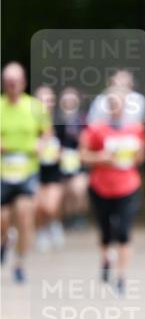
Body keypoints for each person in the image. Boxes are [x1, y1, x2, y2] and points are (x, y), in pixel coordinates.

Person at [80, 86, 145, 293]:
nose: (115, 107)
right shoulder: (95, 129)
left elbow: (142, 155)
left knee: (123, 231)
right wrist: (101, 158)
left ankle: (121, 276)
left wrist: (136, 156)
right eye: (112, 103)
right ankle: (106, 259)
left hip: (128, 186)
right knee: (106, 229)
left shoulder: (135, 128)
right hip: (101, 186)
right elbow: (83, 155)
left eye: (119, 103)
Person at [0, 62, 51, 282]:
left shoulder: (35, 107)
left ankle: (20, 262)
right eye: (8, 82)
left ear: (23, 82)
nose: (12, 85)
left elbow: (47, 132)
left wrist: (41, 144)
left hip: (27, 170)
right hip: (3, 171)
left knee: (24, 215)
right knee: (2, 220)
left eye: (16, 81)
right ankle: (5, 240)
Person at [33, 85, 66, 252]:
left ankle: (54, 222)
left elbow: (68, 147)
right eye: (42, 100)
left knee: (50, 206)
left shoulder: (59, 122)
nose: (46, 103)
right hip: (34, 169)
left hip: (54, 170)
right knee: (38, 206)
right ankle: (41, 231)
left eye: (49, 100)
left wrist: (61, 154)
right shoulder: (30, 122)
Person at [56, 87, 89, 228]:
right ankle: (66, 219)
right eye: (66, 99)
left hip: (79, 160)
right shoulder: (55, 118)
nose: (69, 102)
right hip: (60, 160)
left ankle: (78, 216)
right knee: (64, 191)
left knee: (78, 189)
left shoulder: (83, 118)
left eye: (72, 99)